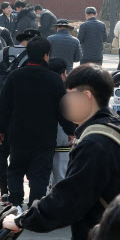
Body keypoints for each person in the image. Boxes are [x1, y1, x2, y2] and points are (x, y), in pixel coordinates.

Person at [2, 65, 120, 240]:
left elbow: (70, 197)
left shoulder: (95, 143)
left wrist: (22, 220)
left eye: (69, 93)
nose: (65, 100)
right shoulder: (115, 128)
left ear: (87, 96)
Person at [0, 38, 74, 209]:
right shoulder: (54, 80)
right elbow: (63, 110)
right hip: (44, 135)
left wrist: (0, 129)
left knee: (15, 169)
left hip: (18, 133)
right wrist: (70, 131)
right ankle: (35, 206)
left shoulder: (14, 76)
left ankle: (16, 203)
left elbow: (5, 106)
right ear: (46, 56)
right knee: (40, 173)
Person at [0, 30, 34, 204]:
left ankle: (4, 191)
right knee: (19, 154)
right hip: (21, 114)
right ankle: (17, 192)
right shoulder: (33, 57)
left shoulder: (0, 54)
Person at [47, 57, 72, 186]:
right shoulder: (68, 94)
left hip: (44, 142)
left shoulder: (42, 91)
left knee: (42, 178)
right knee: (61, 177)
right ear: (62, 75)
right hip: (63, 142)